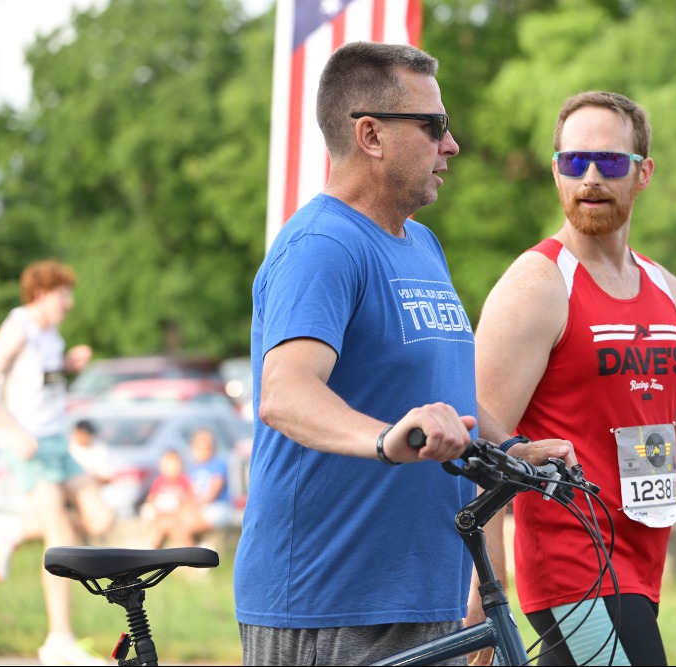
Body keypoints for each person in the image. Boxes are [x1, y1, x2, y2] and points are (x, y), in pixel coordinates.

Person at [232, 41, 571, 666]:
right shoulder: (322, 245)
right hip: (331, 600)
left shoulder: (422, 245)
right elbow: (285, 393)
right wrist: (388, 438)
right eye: (433, 125)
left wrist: (509, 449)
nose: (452, 145)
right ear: (371, 135)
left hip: (425, 590)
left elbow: (441, 396)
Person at [473, 91, 676, 665]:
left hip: (640, 566)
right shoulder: (537, 286)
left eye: (610, 162)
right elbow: (483, 443)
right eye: (574, 161)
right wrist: (486, 590)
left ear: (644, 173)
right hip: (573, 570)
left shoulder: (668, 292)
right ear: (556, 171)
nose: (590, 177)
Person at [0, 258, 115, 666]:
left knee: (100, 518)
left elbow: (37, 381)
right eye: (64, 294)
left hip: (56, 442)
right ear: (43, 293)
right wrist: (14, 432)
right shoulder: (19, 327)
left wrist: (68, 367)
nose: (70, 302)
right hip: (28, 445)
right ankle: (59, 639)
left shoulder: (51, 335)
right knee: (61, 533)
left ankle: (11, 531)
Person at [140, 448, 196, 549]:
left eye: (175, 466)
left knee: (176, 527)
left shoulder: (184, 480)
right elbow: (151, 498)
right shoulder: (159, 481)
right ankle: (150, 546)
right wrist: (157, 509)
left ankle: (190, 549)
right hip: (162, 514)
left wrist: (179, 512)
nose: (172, 470)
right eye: (168, 466)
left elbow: (190, 498)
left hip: (177, 515)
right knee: (157, 523)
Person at [68, 419, 113, 486]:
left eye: (85, 434)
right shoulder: (67, 447)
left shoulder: (99, 449)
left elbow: (106, 476)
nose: (82, 437)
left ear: (91, 435)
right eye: (80, 434)